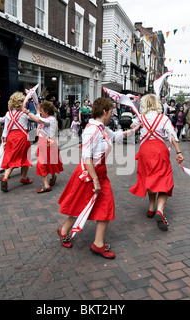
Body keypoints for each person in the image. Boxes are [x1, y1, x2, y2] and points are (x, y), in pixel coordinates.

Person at [57, 97, 141, 259]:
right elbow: (86, 157)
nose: (113, 114)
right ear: (104, 112)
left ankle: (98, 244)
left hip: (100, 174)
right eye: (111, 111)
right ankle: (64, 231)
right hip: (89, 175)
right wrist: (95, 180)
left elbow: (116, 136)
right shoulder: (92, 130)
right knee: (78, 206)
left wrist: (135, 130)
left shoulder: (102, 128)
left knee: (106, 206)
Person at [129, 94, 184, 232]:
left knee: (149, 178)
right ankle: (159, 210)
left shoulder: (140, 118)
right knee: (164, 179)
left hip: (144, 151)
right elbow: (172, 135)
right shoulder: (163, 118)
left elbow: (131, 125)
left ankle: (151, 208)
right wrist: (178, 152)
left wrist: (137, 123)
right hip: (159, 150)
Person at [0, 92, 33, 192]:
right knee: (25, 157)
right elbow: (36, 118)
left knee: (11, 158)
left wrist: (4, 140)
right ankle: (23, 178)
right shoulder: (24, 113)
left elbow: (6, 129)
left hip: (11, 138)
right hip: (22, 137)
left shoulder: (8, 114)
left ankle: (5, 178)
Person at [22, 101, 64, 193]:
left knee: (44, 163)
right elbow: (38, 118)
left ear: (47, 111)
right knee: (50, 162)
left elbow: (37, 120)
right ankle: (52, 178)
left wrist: (27, 112)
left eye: (42, 111)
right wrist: (37, 111)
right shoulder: (47, 118)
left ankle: (46, 185)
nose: (41, 112)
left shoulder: (51, 119)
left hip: (47, 143)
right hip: (46, 143)